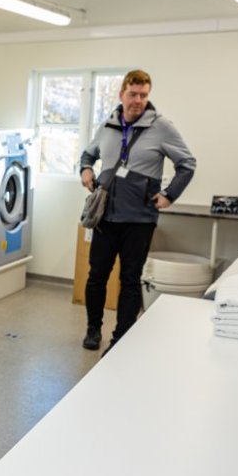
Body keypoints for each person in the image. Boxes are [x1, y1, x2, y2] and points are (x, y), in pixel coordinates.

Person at [79, 69, 196, 354]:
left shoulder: (161, 126)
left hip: (139, 219)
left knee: (130, 280)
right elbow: (88, 154)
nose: (138, 101)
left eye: (143, 95)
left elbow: (187, 163)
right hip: (105, 217)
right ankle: (93, 329)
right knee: (96, 276)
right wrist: (86, 170)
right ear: (122, 94)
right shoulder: (108, 124)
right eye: (133, 94)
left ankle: (121, 339)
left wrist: (169, 195)